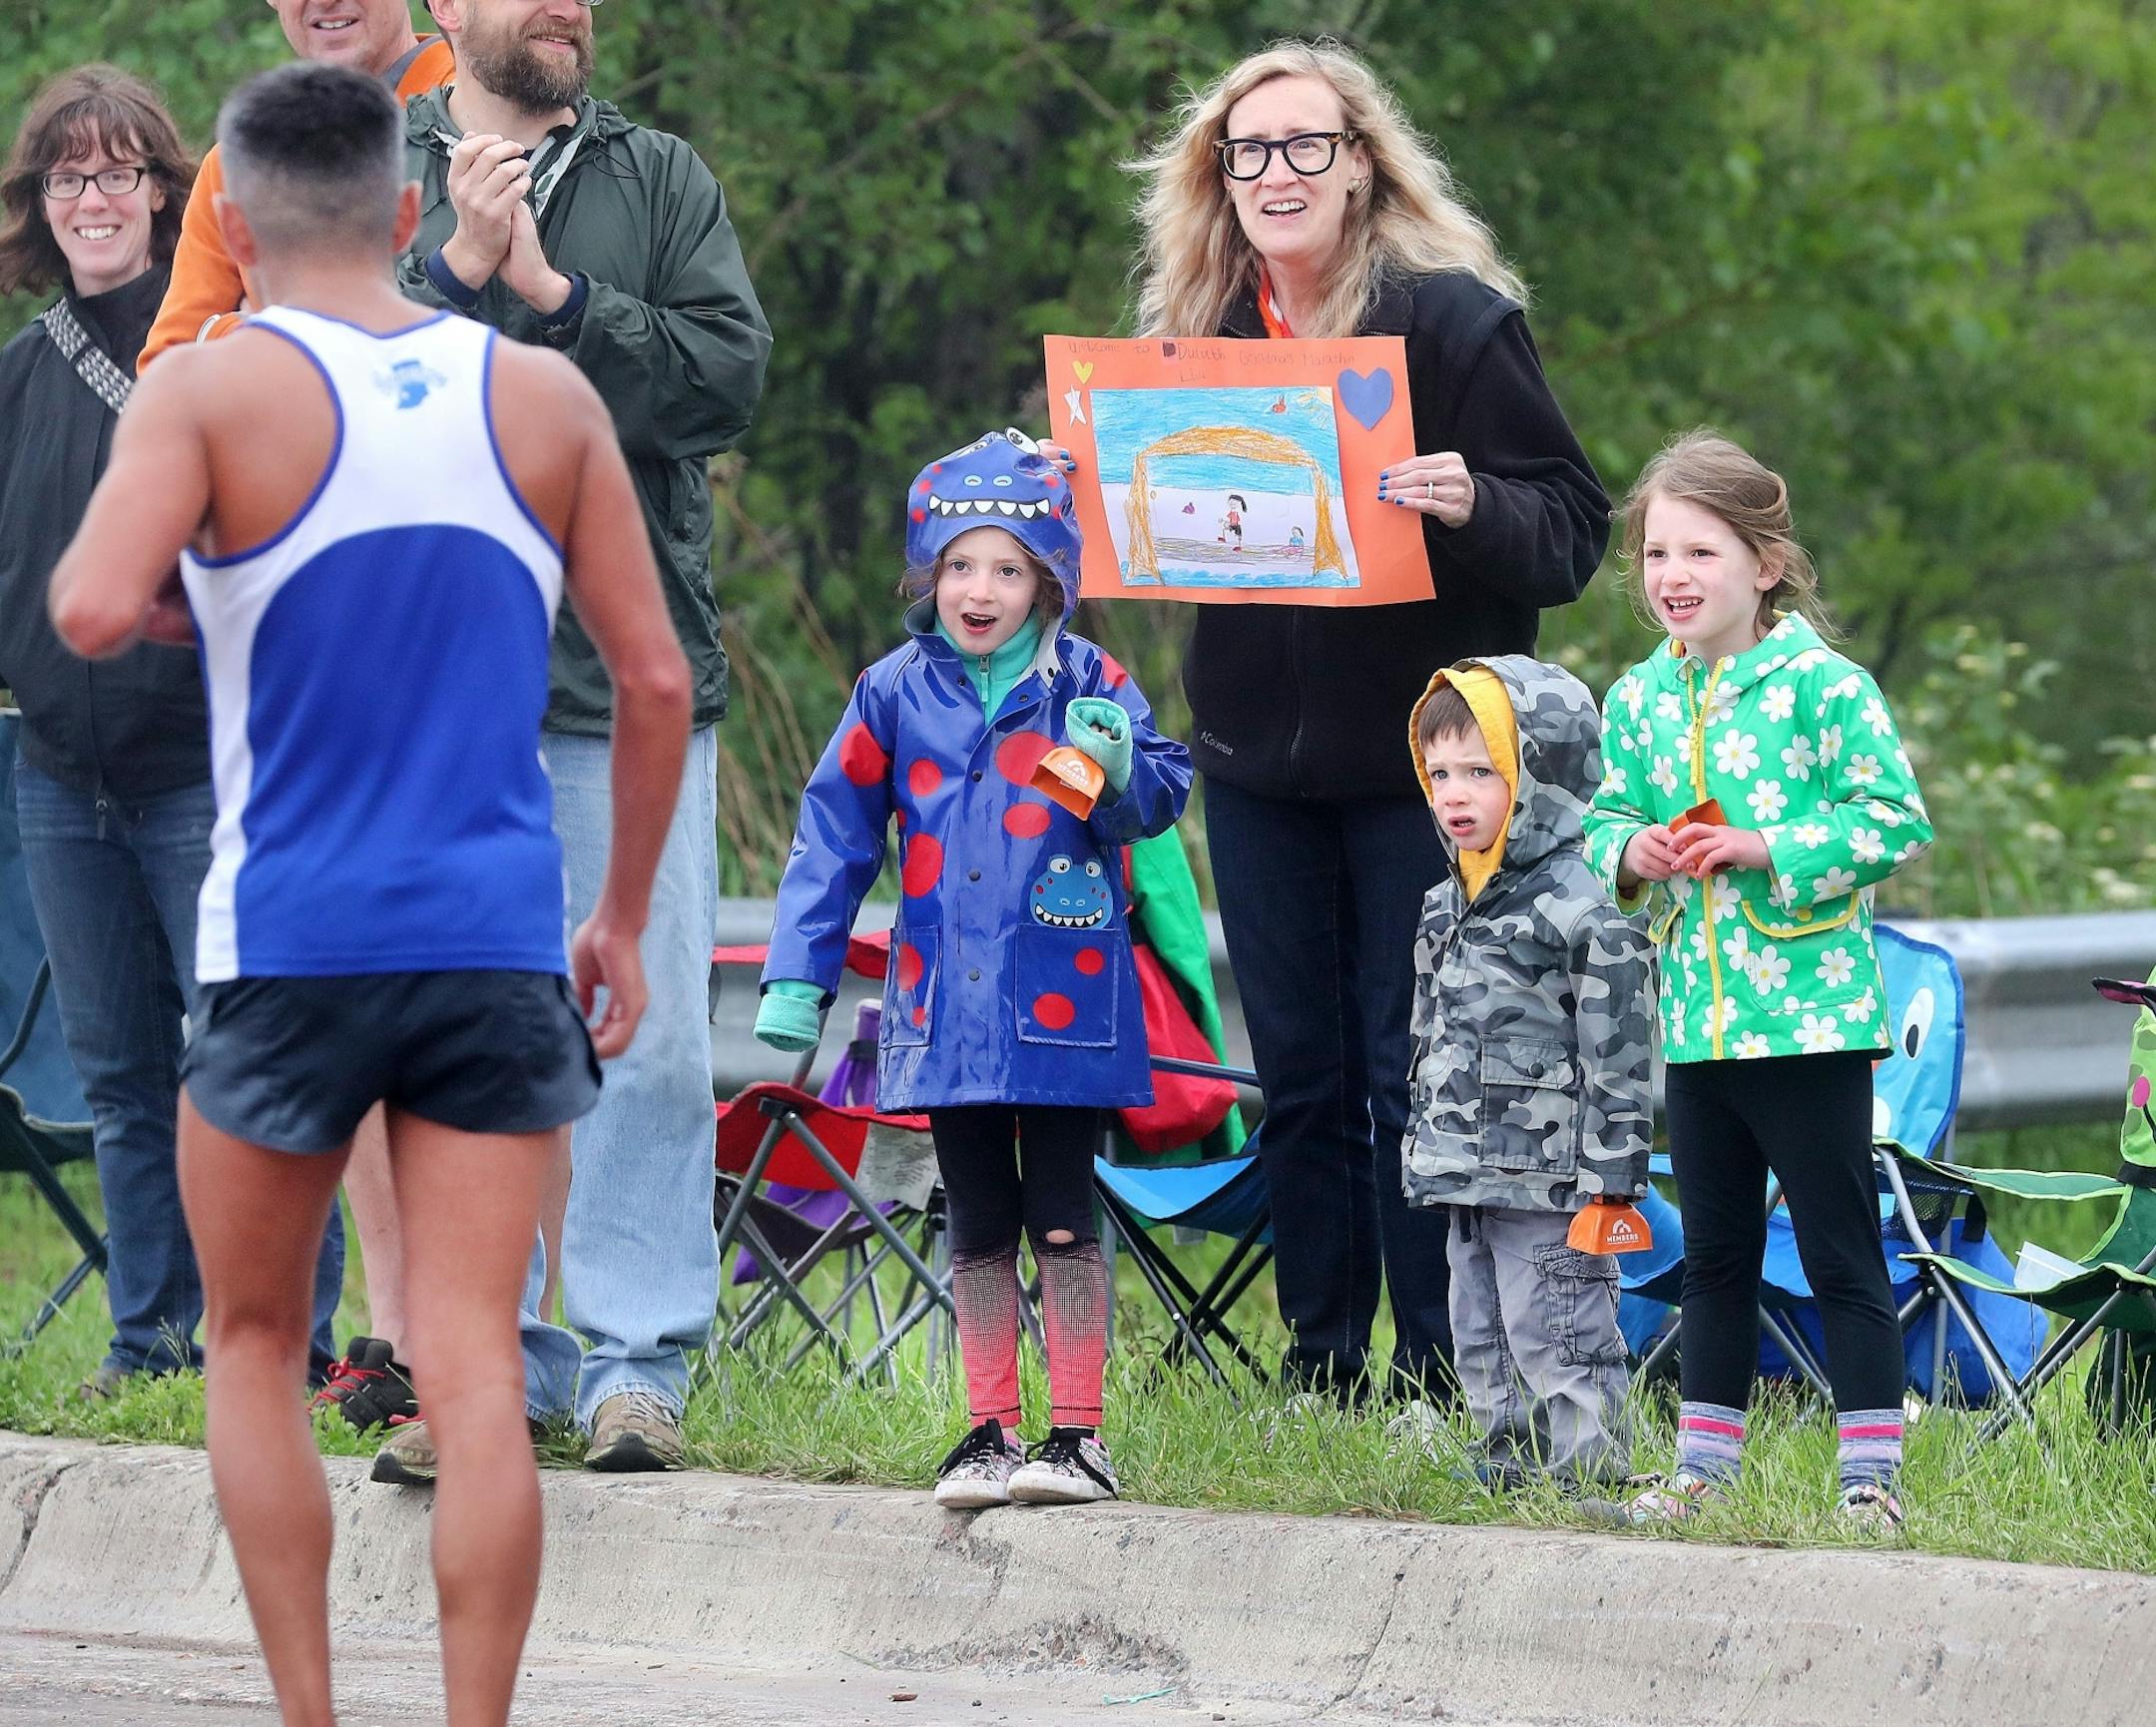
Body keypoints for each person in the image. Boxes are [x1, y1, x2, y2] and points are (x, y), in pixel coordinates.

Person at [47, 62, 691, 1727]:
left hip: (286, 942)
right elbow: (659, 685)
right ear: (409, 218)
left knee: (255, 1344)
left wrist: (200, 581)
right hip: (491, 937)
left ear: (232, 229)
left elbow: (90, 607)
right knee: (474, 1362)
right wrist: (616, 915)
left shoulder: (202, 392)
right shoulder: (542, 404)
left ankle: (313, 1714)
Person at [1111, 39, 1610, 1406]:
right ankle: (1320, 1364)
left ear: (1361, 165)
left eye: (1304, 146)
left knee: (1414, 1076)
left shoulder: (1451, 326)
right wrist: (1079, 486)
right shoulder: (1196, 340)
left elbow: (1570, 535)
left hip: (1424, 769)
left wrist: (1469, 501)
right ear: (1219, 178)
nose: (1275, 172)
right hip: (1257, 769)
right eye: (1248, 151)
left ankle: (1441, 1372)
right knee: (1304, 1076)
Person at [368, 0, 771, 1480]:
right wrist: (451, 273)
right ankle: (482, 1375)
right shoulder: (374, 166)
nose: (565, 7)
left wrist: (549, 288)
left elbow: (726, 384)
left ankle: (634, 1370)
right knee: (462, 1049)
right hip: (426, 698)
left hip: (622, 691)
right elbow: (320, 389)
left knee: (649, 1042)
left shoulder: (658, 180)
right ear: (441, 12)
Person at [755, 429, 1192, 1508]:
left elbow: (1162, 798)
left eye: (1005, 567)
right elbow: (833, 837)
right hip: (942, 1007)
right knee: (977, 1218)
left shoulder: (1092, 681)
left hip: (1065, 1003)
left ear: (1048, 579)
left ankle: (1078, 1435)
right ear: (928, 576)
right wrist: (795, 980)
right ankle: (988, 1429)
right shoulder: (892, 692)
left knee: (1061, 1215)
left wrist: (1121, 760)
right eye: (958, 566)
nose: (978, 588)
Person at [0, 64, 345, 1399]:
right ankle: (146, 1343)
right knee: (123, 1081)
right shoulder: (19, 378)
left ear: (165, 192)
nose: (94, 197)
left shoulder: (227, 349)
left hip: (213, 770)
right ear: (42, 202)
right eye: (67, 176)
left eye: (119, 171)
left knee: (251, 1058)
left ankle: (282, 1345)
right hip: (58, 777)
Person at [142, 0, 461, 1437]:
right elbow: (169, 361)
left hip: (476, 629)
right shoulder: (244, 147)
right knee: (355, 1009)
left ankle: (508, 1344)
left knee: (476, 1016)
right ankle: (397, 1337)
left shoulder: (476, 103)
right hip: (304, 650)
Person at [1581, 429, 1932, 1534]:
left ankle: (1870, 1477)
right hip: (1694, 1022)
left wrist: (1766, 845)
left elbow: (1892, 817)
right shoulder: (1637, 697)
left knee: (1837, 1246)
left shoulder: (1824, 687)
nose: (1673, 576)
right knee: (1715, 1253)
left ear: (1764, 566)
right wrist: (1632, 854)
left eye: (1701, 552)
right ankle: (1702, 1473)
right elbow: (1604, 818)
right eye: (1655, 554)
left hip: (1813, 1018)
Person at [1400, 658, 1653, 1488]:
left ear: (1541, 774)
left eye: (1482, 772)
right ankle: (1504, 1461)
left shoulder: (1582, 901)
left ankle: (1591, 1470)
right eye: (1439, 774)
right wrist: (1424, 1143)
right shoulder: (1446, 902)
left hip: (1551, 1179)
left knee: (1558, 1323)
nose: (1454, 793)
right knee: (1476, 1322)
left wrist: (1614, 1175)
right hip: (1464, 1169)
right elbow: (1425, 1032)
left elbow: (1619, 1042)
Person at [140, 0, 454, 366]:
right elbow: (167, 365)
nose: (324, 2)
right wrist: (259, 337)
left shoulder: (477, 113)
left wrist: (251, 337)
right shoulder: (236, 164)